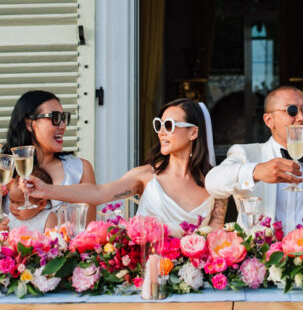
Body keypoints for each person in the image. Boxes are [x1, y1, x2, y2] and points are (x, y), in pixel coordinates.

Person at [24, 98, 225, 229]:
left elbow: (215, 240)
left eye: (169, 125)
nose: (161, 132)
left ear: (193, 132)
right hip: (145, 279)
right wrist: (46, 190)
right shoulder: (145, 176)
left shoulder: (215, 185)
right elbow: (98, 193)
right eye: (159, 124)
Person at [205, 86, 303, 230]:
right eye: (291, 110)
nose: (302, 117)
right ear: (269, 120)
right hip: (259, 251)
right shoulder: (246, 154)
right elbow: (212, 183)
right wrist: (256, 171)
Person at [0, 89, 96, 230]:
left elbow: (89, 229)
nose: (63, 125)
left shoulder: (80, 169)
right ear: (29, 124)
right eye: (55, 118)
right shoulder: (6, 168)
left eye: (64, 118)